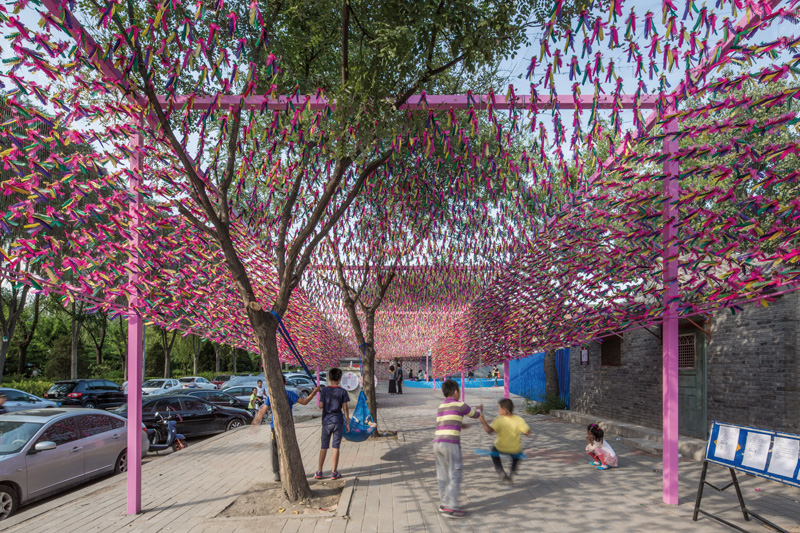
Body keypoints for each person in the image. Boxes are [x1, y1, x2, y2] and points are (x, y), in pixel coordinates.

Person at [434, 379, 482, 518]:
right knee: (455, 474)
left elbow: (446, 422)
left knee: (442, 475)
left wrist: (462, 425)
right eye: (459, 391)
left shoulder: (441, 406)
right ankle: (451, 507)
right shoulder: (461, 405)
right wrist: (479, 409)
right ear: (455, 392)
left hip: (437, 443)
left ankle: (444, 504)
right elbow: (475, 414)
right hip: (451, 444)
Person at [255, 376, 319, 481]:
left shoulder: (271, 395)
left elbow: (263, 410)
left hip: (274, 427)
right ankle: (291, 471)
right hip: (288, 426)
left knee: (275, 450)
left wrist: (256, 420)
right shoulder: (289, 394)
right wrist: (314, 392)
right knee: (289, 448)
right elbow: (304, 402)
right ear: (285, 382)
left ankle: (277, 473)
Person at [477, 399, 531, 483]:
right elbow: (527, 433)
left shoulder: (499, 420)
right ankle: (512, 471)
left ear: (505, 411)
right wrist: (526, 431)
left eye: (499, 408)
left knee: (493, 452)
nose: (498, 410)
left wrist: (482, 420)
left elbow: (489, 431)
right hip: (514, 449)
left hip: (500, 447)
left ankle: (501, 471)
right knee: (517, 455)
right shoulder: (519, 420)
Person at [315, 367, 350, 480]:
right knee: (336, 447)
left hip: (326, 421)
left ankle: (319, 471)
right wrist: (348, 423)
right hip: (338, 421)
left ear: (329, 378)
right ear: (340, 379)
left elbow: (320, 406)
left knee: (324, 446)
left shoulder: (324, 390)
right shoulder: (343, 391)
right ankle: (334, 472)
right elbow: (345, 409)